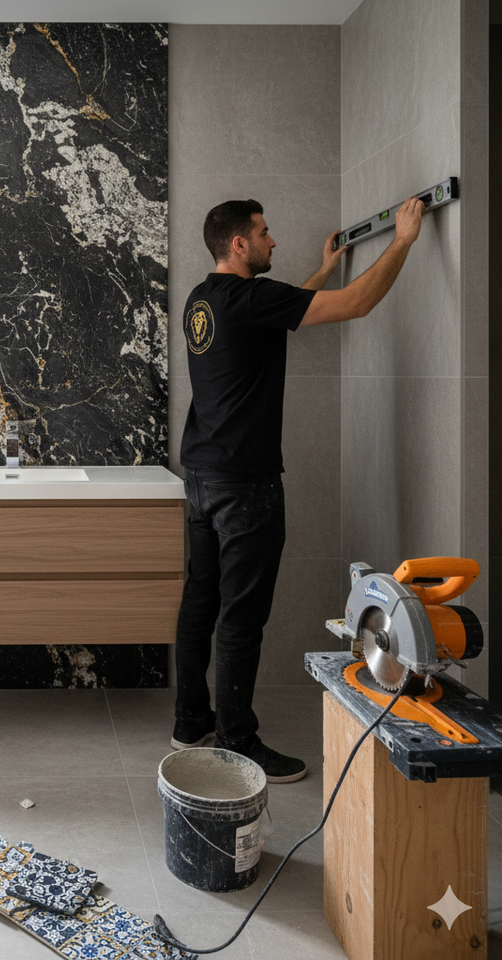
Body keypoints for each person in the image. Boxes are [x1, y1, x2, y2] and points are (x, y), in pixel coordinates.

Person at [173, 195, 425, 783]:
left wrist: (323, 272)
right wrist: (404, 240)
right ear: (239, 243)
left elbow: (288, 307)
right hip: (245, 488)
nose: (272, 240)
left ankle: (191, 721)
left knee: (200, 604)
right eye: (264, 232)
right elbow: (358, 305)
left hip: (204, 480)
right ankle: (238, 738)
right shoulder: (250, 299)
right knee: (241, 617)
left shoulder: (203, 301)